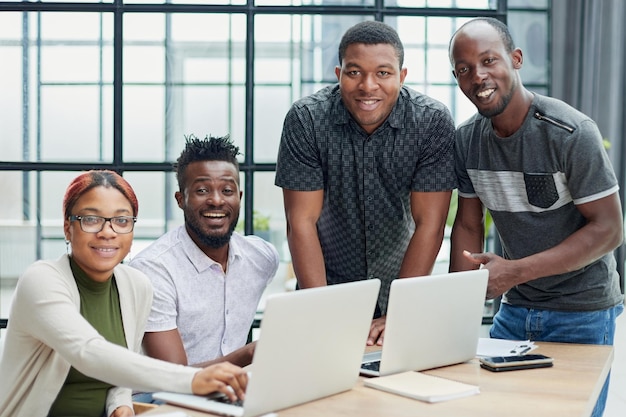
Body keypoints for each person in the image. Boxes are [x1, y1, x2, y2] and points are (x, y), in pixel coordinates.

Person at [448, 17, 624, 417]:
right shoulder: (466, 140)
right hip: (514, 312)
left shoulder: (570, 132)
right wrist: (457, 304)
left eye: (489, 60)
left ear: (516, 58)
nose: (478, 76)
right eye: (463, 69)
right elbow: (468, 224)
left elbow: (609, 229)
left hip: (583, 311)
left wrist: (515, 272)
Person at [0, 170, 248, 417]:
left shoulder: (136, 285)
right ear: (68, 228)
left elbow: (120, 372)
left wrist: (120, 404)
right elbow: (88, 352)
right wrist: (193, 379)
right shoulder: (41, 279)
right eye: (91, 219)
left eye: (121, 220)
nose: (107, 232)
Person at [274, 20, 457, 346]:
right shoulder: (306, 120)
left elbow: (430, 223)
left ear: (401, 77)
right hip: (325, 284)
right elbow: (301, 222)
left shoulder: (431, 122)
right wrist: (320, 307)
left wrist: (401, 309)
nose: (368, 86)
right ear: (338, 73)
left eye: (383, 73)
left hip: (401, 285)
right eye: (354, 72)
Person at [129, 135, 279, 371]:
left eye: (227, 190)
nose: (216, 200)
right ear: (181, 199)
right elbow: (172, 377)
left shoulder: (262, 257)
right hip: (162, 401)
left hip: (234, 393)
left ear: (239, 198)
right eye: (202, 190)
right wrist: (249, 354)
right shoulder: (152, 270)